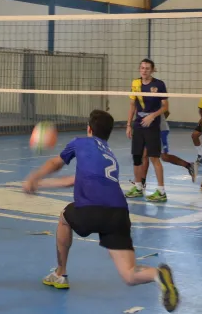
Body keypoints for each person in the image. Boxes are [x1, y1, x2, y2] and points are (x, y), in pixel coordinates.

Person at [22, 110, 179, 313]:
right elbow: (74, 181)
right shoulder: (109, 155)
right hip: (119, 214)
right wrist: (41, 185)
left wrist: (35, 177)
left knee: (64, 217)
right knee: (130, 274)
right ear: (108, 134)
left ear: (89, 129)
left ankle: (60, 273)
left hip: (91, 210)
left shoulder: (80, 142)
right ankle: (157, 275)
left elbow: (55, 163)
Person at [124, 59, 169, 202]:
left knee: (154, 157)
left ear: (153, 70)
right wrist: (128, 125)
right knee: (137, 156)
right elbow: (132, 105)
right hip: (138, 124)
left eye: (147, 68)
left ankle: (161, 191)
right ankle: (138, 187)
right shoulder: (135, 83)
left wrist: (152, 116)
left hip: (153, 125)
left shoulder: (159, 84)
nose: (144, 71)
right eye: (142, 68)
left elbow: (165, 107)